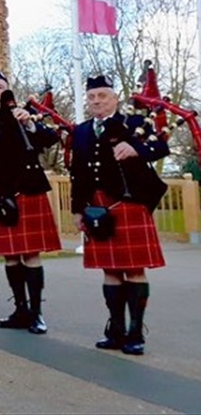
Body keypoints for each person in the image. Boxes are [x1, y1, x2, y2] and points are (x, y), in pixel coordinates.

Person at [69, 74, 169, 356]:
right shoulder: (82, 131)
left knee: (135, 270)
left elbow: (162, 147)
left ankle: (136, 333)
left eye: (102, 95)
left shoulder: (134, 124)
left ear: (114, 99)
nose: (97, 101)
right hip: (96, 207)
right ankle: (116, 330)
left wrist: (135, 148)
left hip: (129, 203)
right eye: (92, 97)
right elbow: (77, 173)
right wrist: (77, 209)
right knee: (110, 270)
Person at [0, 69, 62, 334]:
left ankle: (36, 313)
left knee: (31, 255)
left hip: (26, 194)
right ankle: (20, 310)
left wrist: (31, 124)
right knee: (10, 257)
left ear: (7, 90)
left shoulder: (23, 117)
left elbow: (50, 138)